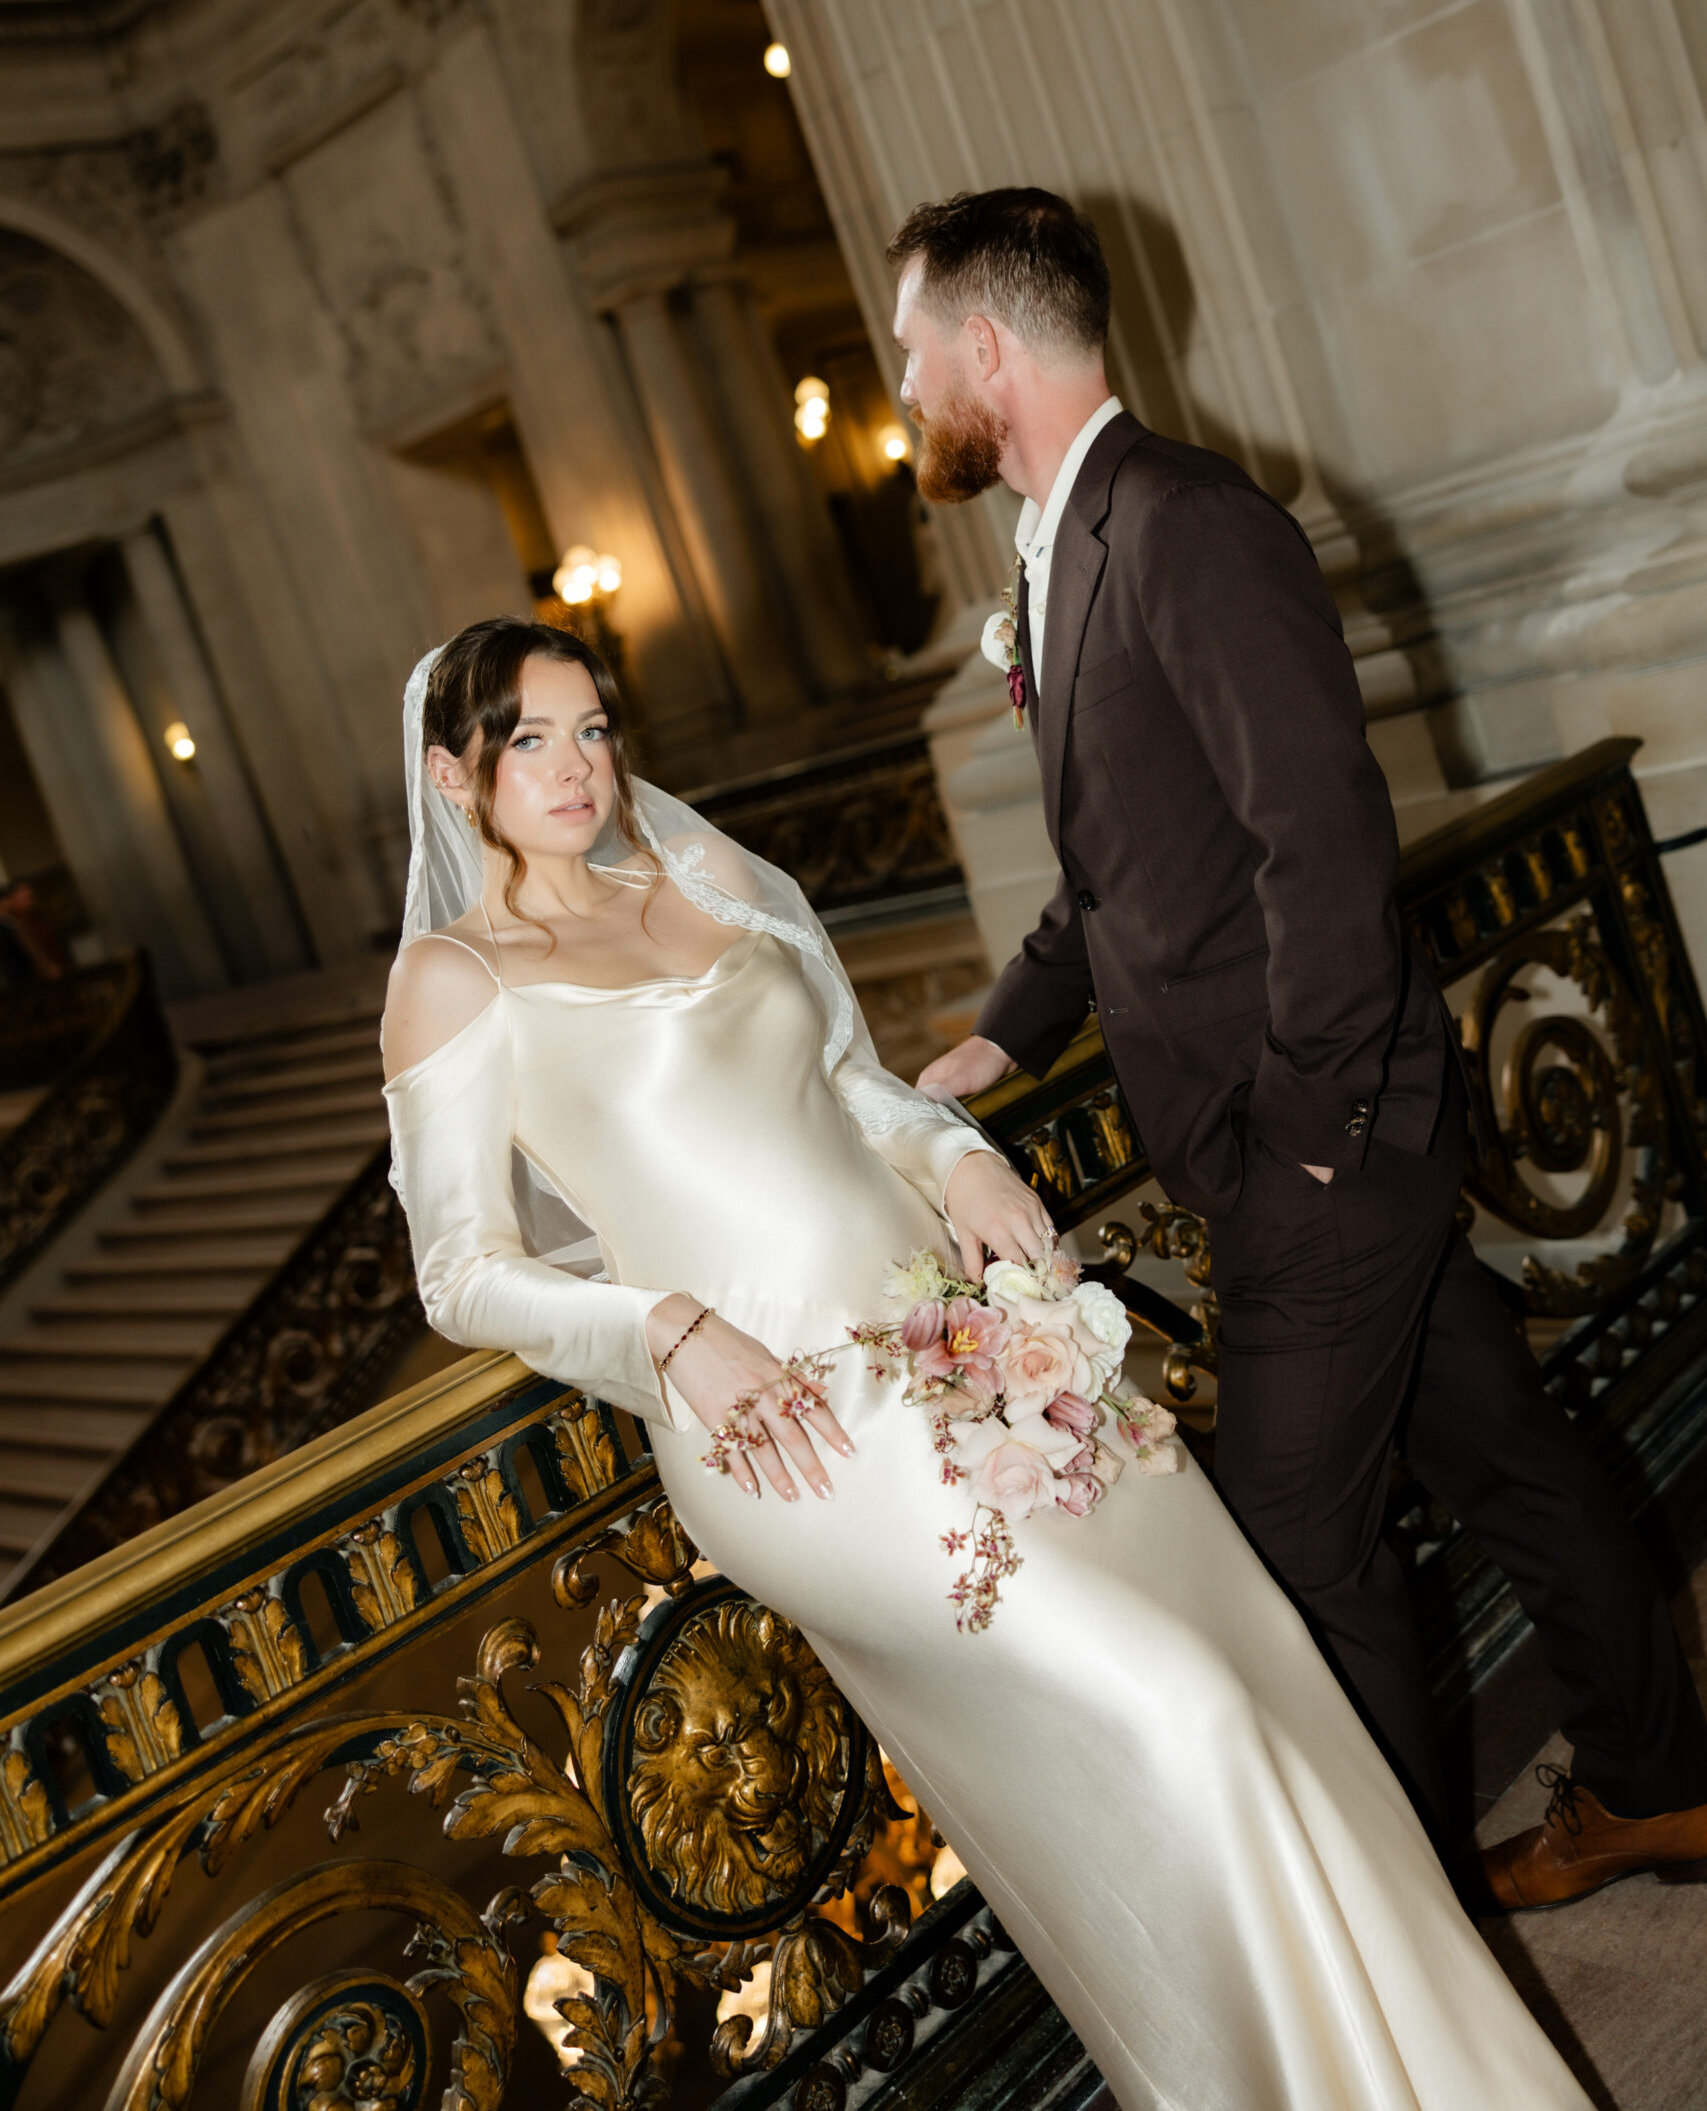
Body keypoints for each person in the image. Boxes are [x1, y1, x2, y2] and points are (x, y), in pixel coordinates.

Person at [383, 613, 1589, 2109]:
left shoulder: (702, 876)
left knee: (1254, 1669)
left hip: (962, 1333)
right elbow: (460, 1275)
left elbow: (847, 1085)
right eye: (531, 744)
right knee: (1175, 1707)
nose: (579, 769)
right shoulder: (455, 982)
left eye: (595, 730)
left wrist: (954, 1159)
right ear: (455, 776)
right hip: (793, 1430)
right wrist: (665, 1332)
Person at [909, 186, 1707, 1913]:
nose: (901, 388)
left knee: (1291, 1551)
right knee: (1502, 1449)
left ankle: (1418, 1970)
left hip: (1321, 1146)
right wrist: (998, 1037)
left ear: (985, 347)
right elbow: (1126, 869)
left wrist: (1321, 1138)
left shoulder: (1185, 521)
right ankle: (1660, 1781)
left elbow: (1321, 844)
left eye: (910, 351)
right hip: (1298, 1142)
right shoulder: (1062, 549)